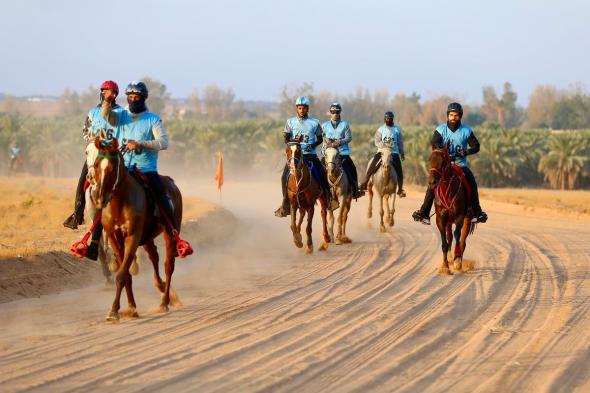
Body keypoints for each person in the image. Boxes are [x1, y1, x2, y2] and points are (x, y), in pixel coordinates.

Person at [101, 81, 180, 250]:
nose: (133, 100)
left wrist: (140, 144)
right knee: (101, 192)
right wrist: (107, 101)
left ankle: (174, 235)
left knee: (162, 197)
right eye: (130, 97)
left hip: (145, 169)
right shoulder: (120, 115)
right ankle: (93, 239)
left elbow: (163, 142)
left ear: (143, 98)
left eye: (136, 97)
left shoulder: (153, 119)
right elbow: (106, 116)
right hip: (123, 168)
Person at [412, 102, 488, 225]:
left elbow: (476, 146)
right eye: (451, 115)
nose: (453, 118)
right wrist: (443, 153)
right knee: (432, 184)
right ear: (447, 115)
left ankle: (477, 212)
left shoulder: (466, 131)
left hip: (460, 165)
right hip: (444, 166)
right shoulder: (440, 130)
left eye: (456, 115)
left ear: (460, 117)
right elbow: (435, 143)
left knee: (472, 183)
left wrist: (465, 152)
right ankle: (424, 212)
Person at [63, 80, 122, 234]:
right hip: (96, 151)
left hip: (113, 152)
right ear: (102, 92)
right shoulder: (92, 112)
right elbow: (85, 131)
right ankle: (78, 213)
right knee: (82, 180)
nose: (112, 94)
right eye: (108, 91)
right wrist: (92, 138)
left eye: (114, 92)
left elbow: (124, 131)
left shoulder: (120, 113)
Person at [274, 96, 336, 217]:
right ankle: (285, 203)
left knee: (322, 173)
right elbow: (286, 139)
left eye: (304, 108)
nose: (302, 110)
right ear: (297, 109)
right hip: (295, 156)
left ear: (307, 109)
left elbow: (320, 139)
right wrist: (293, 141)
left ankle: (329, 199)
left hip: (310, 155)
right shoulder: (290, 122)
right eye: (300, 108)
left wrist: (311, 145)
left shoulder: (315, 122)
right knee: (283, 177)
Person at [359, 111, 406, 197]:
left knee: (399, 171)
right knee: (372, 165)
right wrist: (385, 145)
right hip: (382, 152)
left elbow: (400, 142)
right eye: (387, 118)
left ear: (392, 119)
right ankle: (365, 182)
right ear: (384, 119)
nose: (388, 120)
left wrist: (401, 152)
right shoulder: (380, 129)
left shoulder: (397, 129)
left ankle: (400, 189)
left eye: (390, 119)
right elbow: (377, 141)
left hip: (394, 152)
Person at [321, 102, 362, 198]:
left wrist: (339, 142)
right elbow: (321, 136)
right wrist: (326, 140)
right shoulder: (324, 125)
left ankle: (355, 190)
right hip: (328, 154)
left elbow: (349, 138)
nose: (335, 114)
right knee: (319, 171)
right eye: (333, 112)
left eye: (337, 112)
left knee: (352, 169)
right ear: (330, 113)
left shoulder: (345, 125)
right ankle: (318, 192)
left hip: (342, 153)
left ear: (340, 113)